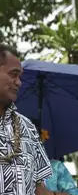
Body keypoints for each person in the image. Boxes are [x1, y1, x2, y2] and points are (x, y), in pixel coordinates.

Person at [0, 43, 52, 195]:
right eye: (13, 74)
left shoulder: (27, 127)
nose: (19, 82)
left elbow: (39, 190)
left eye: (20, 76)